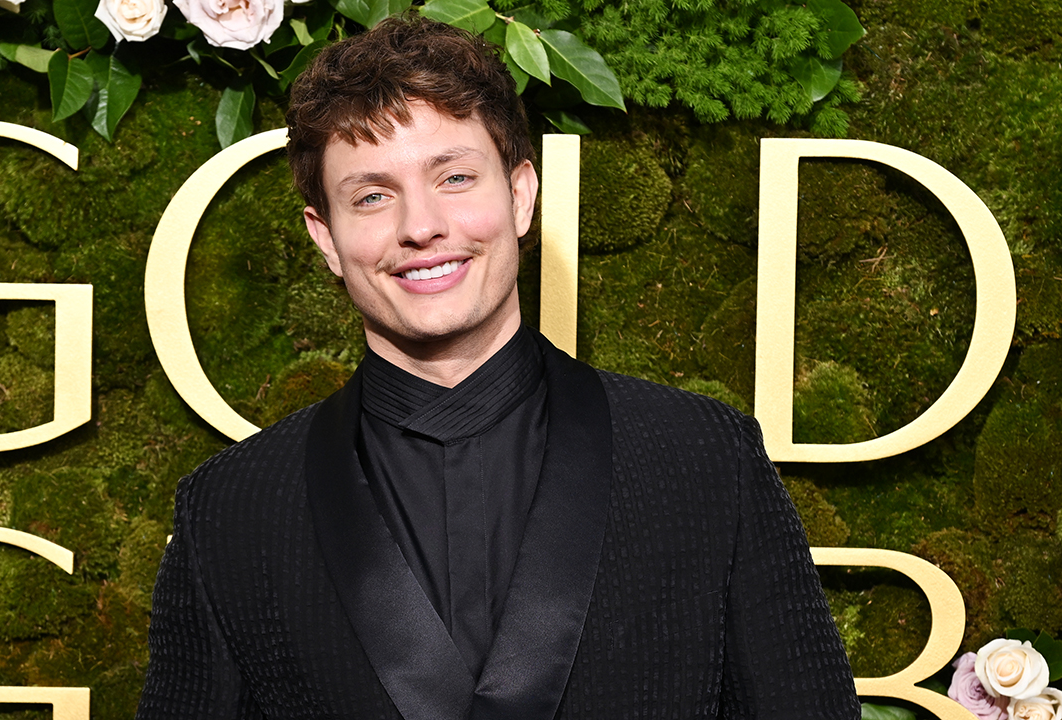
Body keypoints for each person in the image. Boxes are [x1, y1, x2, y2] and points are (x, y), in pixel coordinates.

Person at [136, 13, 860, 720]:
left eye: (454, 178)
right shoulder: (229, 512)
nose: (421, 226)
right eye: (373, 196)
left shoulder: (705, 459)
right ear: (325, 238)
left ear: (520, 196)